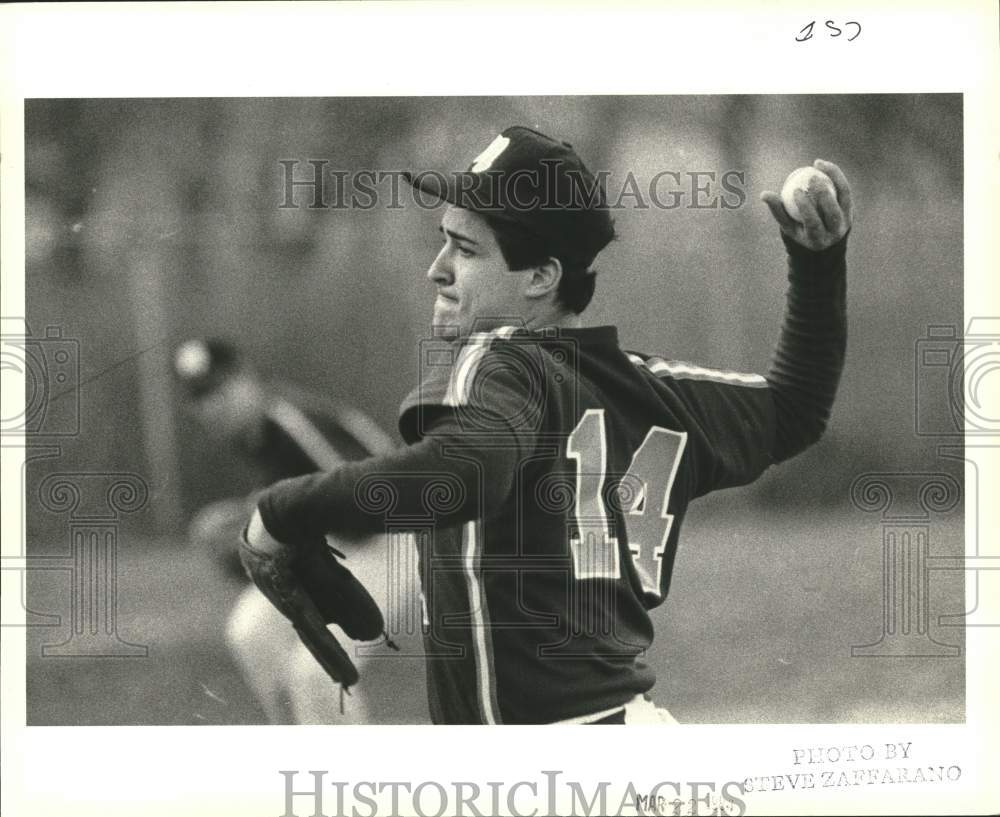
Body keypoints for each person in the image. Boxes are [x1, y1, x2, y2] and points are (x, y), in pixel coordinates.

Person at [243, 125, 851, 724]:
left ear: (540, 277)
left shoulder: (497, 358)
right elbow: (794, 408)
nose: (437, 268)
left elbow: (464, 473)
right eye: (444, 241)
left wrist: (282, 511)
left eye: (466, 250)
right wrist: (818, 264)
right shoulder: (656, 390)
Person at [173, 338, 418, 723]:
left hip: (394, 539)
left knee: (316, 670)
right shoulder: (253, 436)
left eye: (220, 389)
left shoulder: (290, 420)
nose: (213, 406)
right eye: (201, 397)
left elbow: (368, 501)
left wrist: (262, 520)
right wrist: (258, 524)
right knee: (250, 632)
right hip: (344, 545)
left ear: (247, 379)